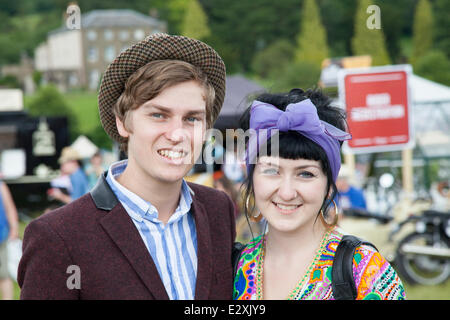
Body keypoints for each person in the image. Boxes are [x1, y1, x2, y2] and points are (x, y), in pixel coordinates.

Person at [18, 34, 236, 299]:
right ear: (123, 122)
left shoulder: (217, 209)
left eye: (192, 118)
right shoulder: (57, 237)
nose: (178, 134)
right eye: (158, 115)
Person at [233, 88, 406, 300]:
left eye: (305, 174)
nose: (287, 193)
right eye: (271, 171)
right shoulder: (230, 268)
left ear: (329, 187)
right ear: (252, 181)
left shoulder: (365, 272)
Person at [0, 179, 19, 300]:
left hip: (1, 236)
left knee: (3, 273)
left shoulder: (1, 186)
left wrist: (14, 228)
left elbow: (10, 207)